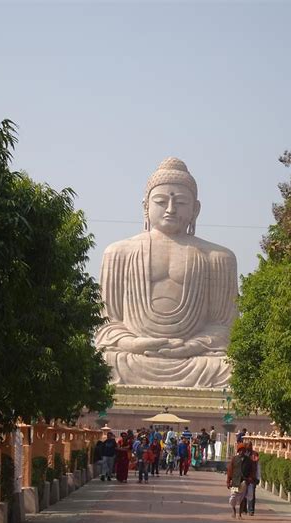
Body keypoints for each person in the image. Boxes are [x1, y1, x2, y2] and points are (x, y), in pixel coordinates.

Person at [95, 157, 237, 388]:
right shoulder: (118, 252)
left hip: (195, 359)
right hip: (133, 357)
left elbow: (224, 327)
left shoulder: (218, 258)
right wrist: (135, 344)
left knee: (231, 367)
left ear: (196, 209)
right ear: (145, 206)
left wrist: (192, 346)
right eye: (161, 201)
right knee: (103, 362)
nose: (170, 209)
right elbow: (107, 324)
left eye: (181, 202)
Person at [226, 444, 252, 519]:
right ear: (238, 451)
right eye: (240, 450)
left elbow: (251, 471)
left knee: (242, 499)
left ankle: (240, 514)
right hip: (235, 481)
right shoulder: (234, 459)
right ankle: (234, 511)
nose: (241, 452)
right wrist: (228, 481)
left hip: (244, 482)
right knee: (233, 498)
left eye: (243, 451)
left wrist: (250, 479)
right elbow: (230, 471)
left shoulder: (248, 460)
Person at [244, 441, 261, 516]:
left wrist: (258, 477)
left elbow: (258, 467)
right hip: (244, 477)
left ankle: (251, 510)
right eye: (248, 445)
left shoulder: (255, 454)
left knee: (252, 494)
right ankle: (243, 509)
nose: (249, 447)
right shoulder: (243, 454)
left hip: (253, 477)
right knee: (243, 493)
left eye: (250, 445)